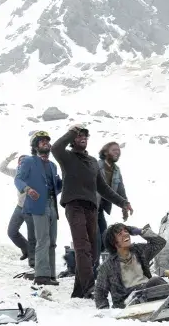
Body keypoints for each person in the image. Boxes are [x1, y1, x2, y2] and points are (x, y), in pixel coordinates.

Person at [51, 124, 132, 299]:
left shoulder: (92, 162)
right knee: (82, 248)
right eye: (79, 136)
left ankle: (79, 291)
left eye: (85, 136)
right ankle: (89, 287)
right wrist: (72, 131)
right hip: (74, 205)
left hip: (91, 208)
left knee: (94, 251)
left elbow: (103, 188)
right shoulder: (67, 157)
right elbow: (56, 147)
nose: (83, 138)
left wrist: (123, 202)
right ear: (73, 140)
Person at [14, 131, 63, 286]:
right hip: (37, 206)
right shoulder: (29, 161)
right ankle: (41, 276)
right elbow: (18, 179)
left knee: (53, 241)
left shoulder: (53, 166)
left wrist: (65, 182)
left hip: (52, 205)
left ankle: (51, 274)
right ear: (35, 145)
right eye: (41, 141)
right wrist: (28, 190)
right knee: (43, 239)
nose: (45, 143)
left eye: (47, 141)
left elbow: (57, 187)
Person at [94, 223, 167, 309]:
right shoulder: (107, 266)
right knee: (155, 281)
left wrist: (141, 231)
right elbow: (100, 291)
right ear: (114, 243)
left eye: (126, 231)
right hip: (127, 304)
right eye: (120, 234)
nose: (126, 234)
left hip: (147, 294)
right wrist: (104, 311)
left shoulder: (139, 251)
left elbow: (160, 243)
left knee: (160, 283)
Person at [95, 141, 129, 271]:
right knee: (96, 238)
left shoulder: (116, 170)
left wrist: (124, 205)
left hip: (101, 209)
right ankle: (94, 269)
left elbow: (120, 189)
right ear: (105, 152)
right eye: (114, 150)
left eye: (118, 150)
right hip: (91, 206)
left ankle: (103, 268)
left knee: (105, 238)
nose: (117, 152)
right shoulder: (97, 165)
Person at [0, 152, 36, 263]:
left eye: (25, 161)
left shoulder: (34, 174)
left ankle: (34, 262)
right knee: (12, 232)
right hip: (19, 207)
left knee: (32, 236)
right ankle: (26, 249)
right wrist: (8, 159)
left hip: (31, 209)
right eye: (20, 160)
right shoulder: (16, 173)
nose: (22, 162)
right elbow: (1, 169)